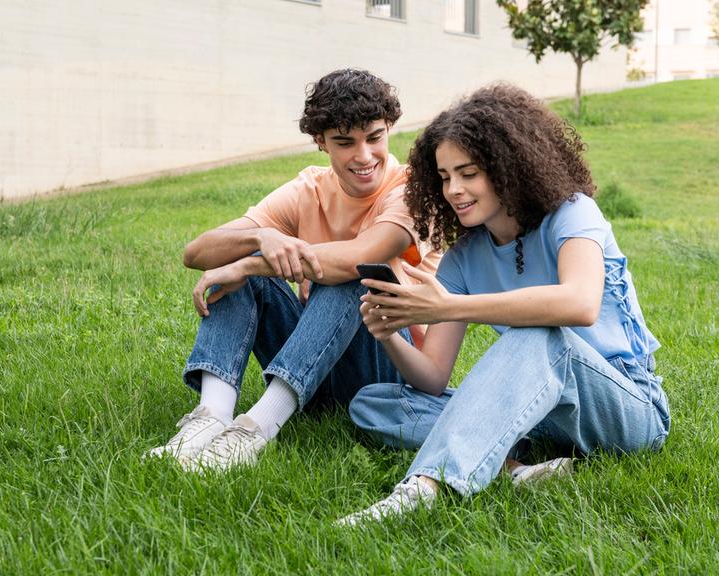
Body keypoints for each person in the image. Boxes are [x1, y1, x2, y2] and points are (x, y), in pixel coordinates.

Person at [337, 84, 671, 525]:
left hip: (627, 407)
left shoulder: (573, 213)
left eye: (468, 172)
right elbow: (433, 379)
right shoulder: (461, 258)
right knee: (375, 403)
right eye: (443, 176)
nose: (454, 189)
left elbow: (578, 303)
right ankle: (514, 468)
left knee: (540, 332)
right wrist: (389, 335)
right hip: (542, 414)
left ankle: (424, 487)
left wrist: (447, 308)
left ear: (507, 167)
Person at [147, 69, 440, 472]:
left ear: (389, 128)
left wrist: (246, 263)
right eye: (344, 142)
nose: (364, 156)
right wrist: (258, 238)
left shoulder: (410, 190)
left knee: (353, 274)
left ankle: (255, 429)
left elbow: (360, 256)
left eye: (375, 137)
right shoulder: (309, 189)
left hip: (387, 372)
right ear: (321, 142)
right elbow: (197, 252)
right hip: (316, 362)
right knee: (244, 272)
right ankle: (210, 419)